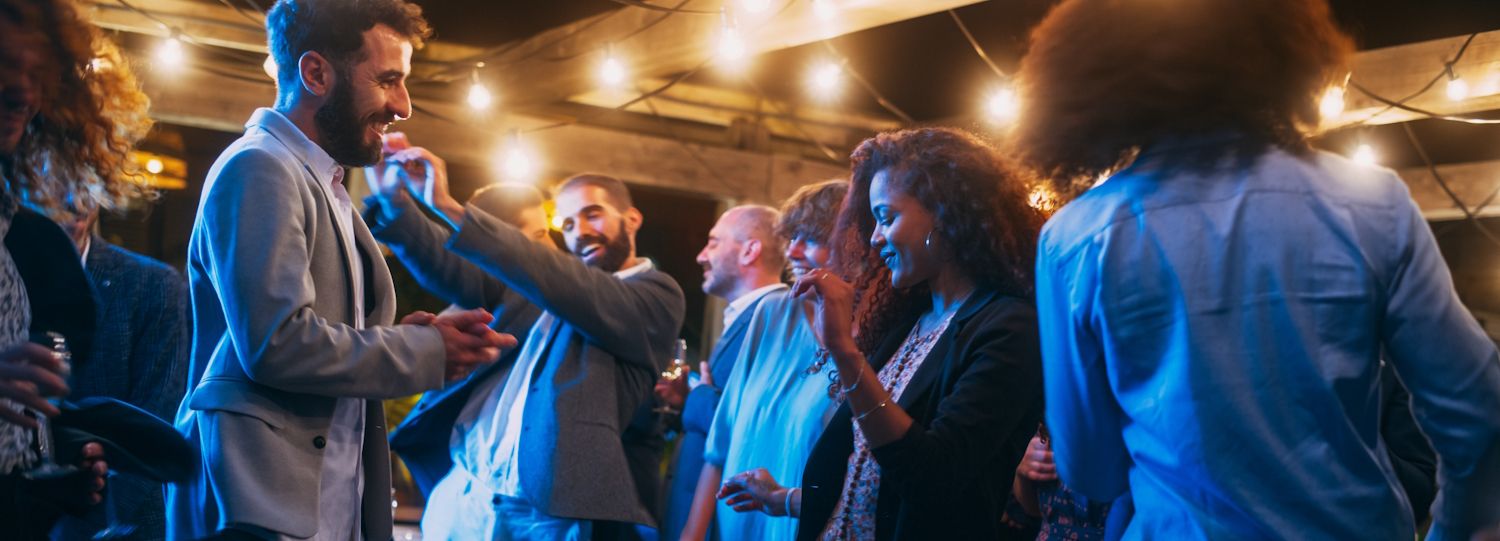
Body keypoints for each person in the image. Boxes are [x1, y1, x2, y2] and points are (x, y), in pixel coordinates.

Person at [1012, 0, 1500, 539]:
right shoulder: (1371, 204)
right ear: (1277, 51)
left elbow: (1091, 470)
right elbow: (1478, 415)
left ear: (1092, 69)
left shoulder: (1076, 238)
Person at [165, 0, 514, 538]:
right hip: (258, 504)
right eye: (388, 80)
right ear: (315, 73)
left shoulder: (321, 182)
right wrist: (423, 352)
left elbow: (320, 340)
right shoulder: (260, 167)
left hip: (322, 506)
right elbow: (277, 343)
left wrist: (409, 338)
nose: (404, 106)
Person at [718, 128, 1046, 540]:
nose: (875, 237)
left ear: (945, 214)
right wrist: (782, 498)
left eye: (887, 218)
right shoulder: (910, 321)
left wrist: (844, 352)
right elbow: (870, 488)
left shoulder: (1010, 327)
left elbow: (932, 478)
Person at [368, 154, 685, 539]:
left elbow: (574, 287)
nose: (579, 231)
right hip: (465, 491)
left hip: (540, 514)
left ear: (632, 219)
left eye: (593, 214)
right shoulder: (546, 290)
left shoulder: (656, 295)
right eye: (567, 223)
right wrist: (396, 204)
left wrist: (450, 206)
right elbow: (454, 270)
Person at [0, 0, 143, 536]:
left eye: (37, 74)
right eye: (6, 65)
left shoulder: (13, 227)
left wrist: (50, 471)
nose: (22, 91)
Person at [680, 180, 849, 541]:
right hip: (734, 531)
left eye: (813, 238)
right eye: (792, 238)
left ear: (856, 243)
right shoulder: (773, 313)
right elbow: (719, 446)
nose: (795, 251)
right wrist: (691, 534)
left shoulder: (871, 339)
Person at [50, 207, 190, 540]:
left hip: (121, 526)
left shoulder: (152, 284)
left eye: (89, 178)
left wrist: (83, 523)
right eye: (55, 175)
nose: (75, 199)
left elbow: (154, 423)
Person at [657, 204, 788, 540]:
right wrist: (687, 401)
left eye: (713, 243)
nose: (702, 255)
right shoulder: (747, 316)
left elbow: (754, 422)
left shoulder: (774, 318)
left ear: (750, 250)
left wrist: (699, 399)